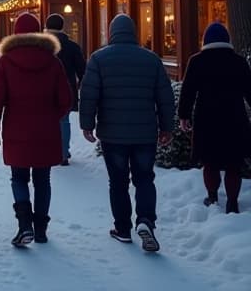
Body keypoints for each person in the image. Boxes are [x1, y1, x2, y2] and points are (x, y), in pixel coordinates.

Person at [80, 14, 174, 252]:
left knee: (118, 182)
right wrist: (166, 127)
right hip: (144, 133)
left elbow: (90, 95)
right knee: (144, 178)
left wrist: (87, 124)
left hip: (113, 133)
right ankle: (146, 221)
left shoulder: (99, 59)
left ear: (111, 32)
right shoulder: (151, 59)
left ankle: (122, 228)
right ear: (133, 32)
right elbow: (164, 97)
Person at [0, 13, 72, 247]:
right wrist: (51, 116)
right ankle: (41, 228)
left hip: (17, 130)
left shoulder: (6, 61)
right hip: (46, 131)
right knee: (43, 180)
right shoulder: (53, 61)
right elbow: (66, 99)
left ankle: (24, 224)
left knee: (19, 178)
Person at [178, 22, 251, 214]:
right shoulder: (239, 62)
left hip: (206, 120)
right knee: (233, 164)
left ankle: (212, 196)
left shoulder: (197, 61)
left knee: (210, 162)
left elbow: (188, 92)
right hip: (235, 119)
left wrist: (184, 116)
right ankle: (233, 202)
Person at [45, 13, 86, 166]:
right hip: (67, 89)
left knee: (46, 120)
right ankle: (63, 154)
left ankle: (49, 150)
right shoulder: (72, 46)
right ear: (62, 27)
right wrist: (82, 85)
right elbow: (82, 70)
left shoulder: (41, 45)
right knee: (63, 121)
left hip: (44, 90)